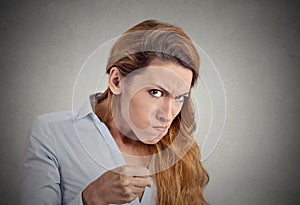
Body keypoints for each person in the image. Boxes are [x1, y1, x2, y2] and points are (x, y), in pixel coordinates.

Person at [21, 19, 209, 205]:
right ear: (117, 81)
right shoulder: (52, 132)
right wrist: (91, 199)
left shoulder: (179, 150)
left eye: (180, 98)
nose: (168, 115)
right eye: (156, 92)